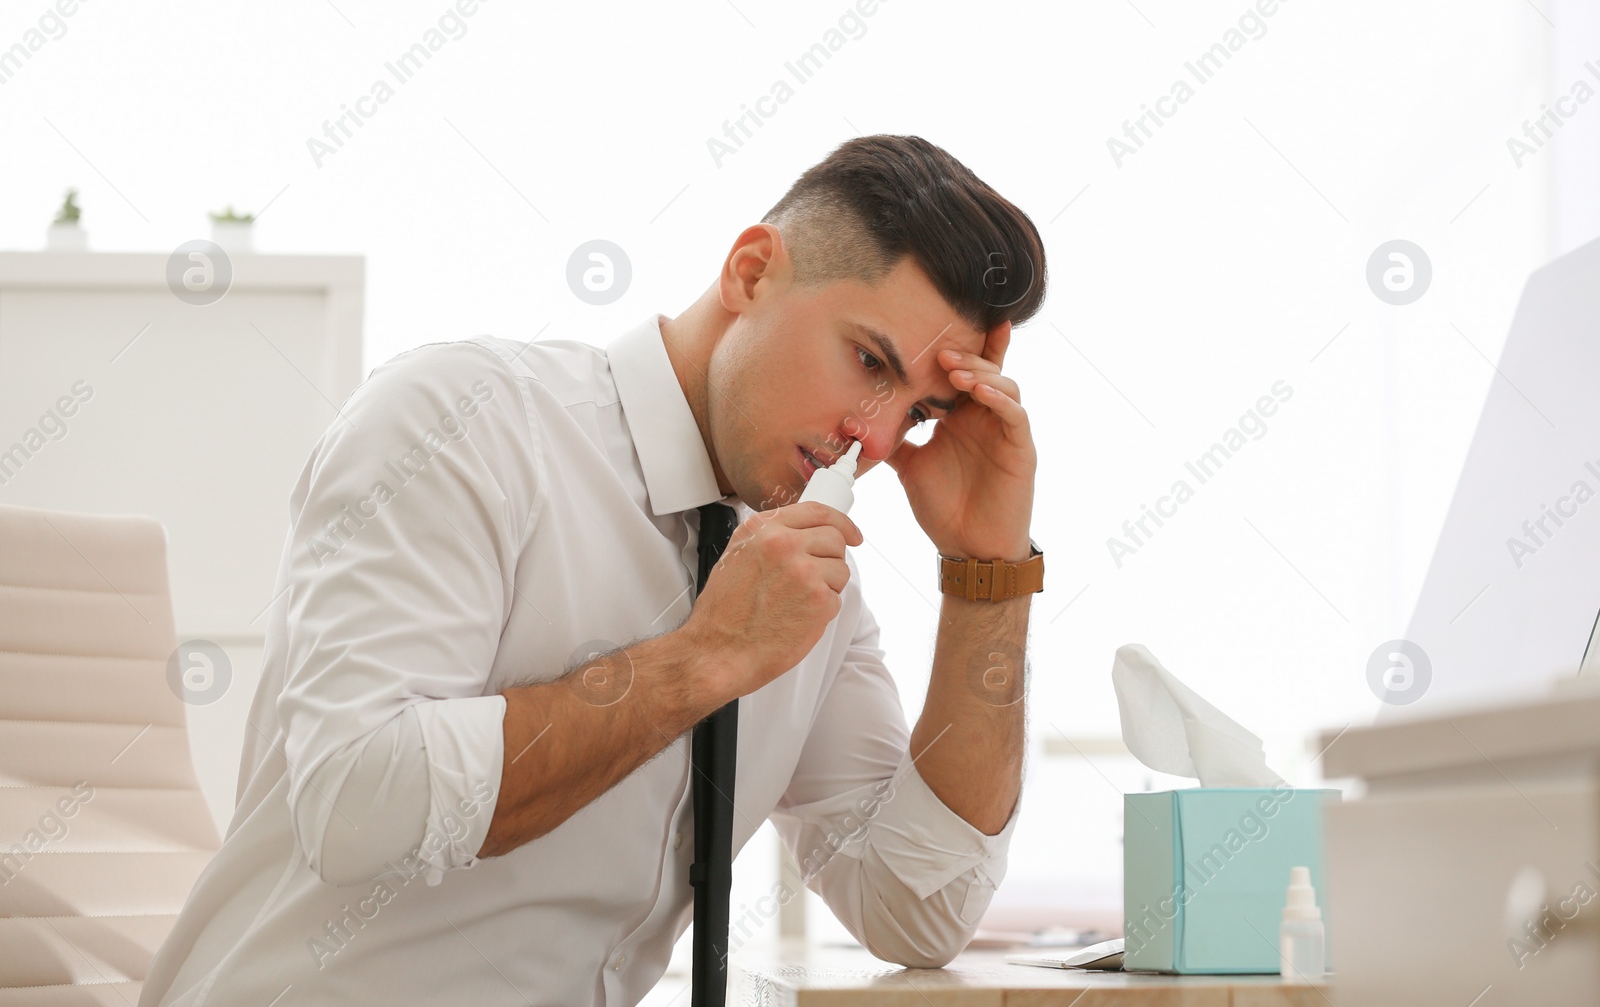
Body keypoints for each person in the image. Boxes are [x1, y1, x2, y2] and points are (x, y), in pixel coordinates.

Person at [140, 133, 1048, 1006]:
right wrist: (701, 662)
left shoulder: (803, 590)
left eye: (920, 414)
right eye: (868, 361)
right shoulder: (463, 422)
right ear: (752, 271)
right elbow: (355, 803)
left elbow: (916, 909)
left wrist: (988, 572)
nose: (878, 440)